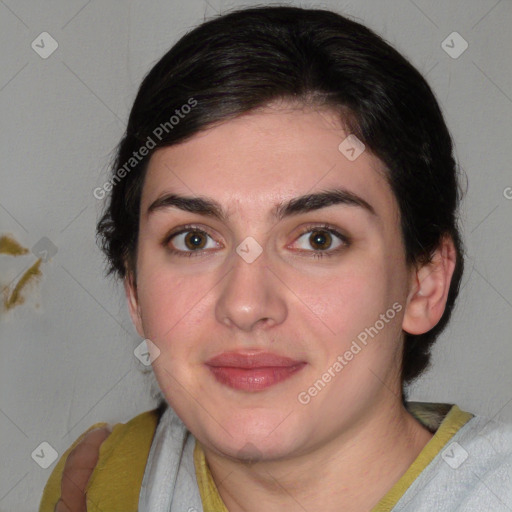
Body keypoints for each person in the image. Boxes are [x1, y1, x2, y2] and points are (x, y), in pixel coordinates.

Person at [39, 5, 512, 512]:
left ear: (424, 283)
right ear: (133, 287)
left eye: (319, 240)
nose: (245, 305)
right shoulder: (103, 485)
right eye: (194, 239)